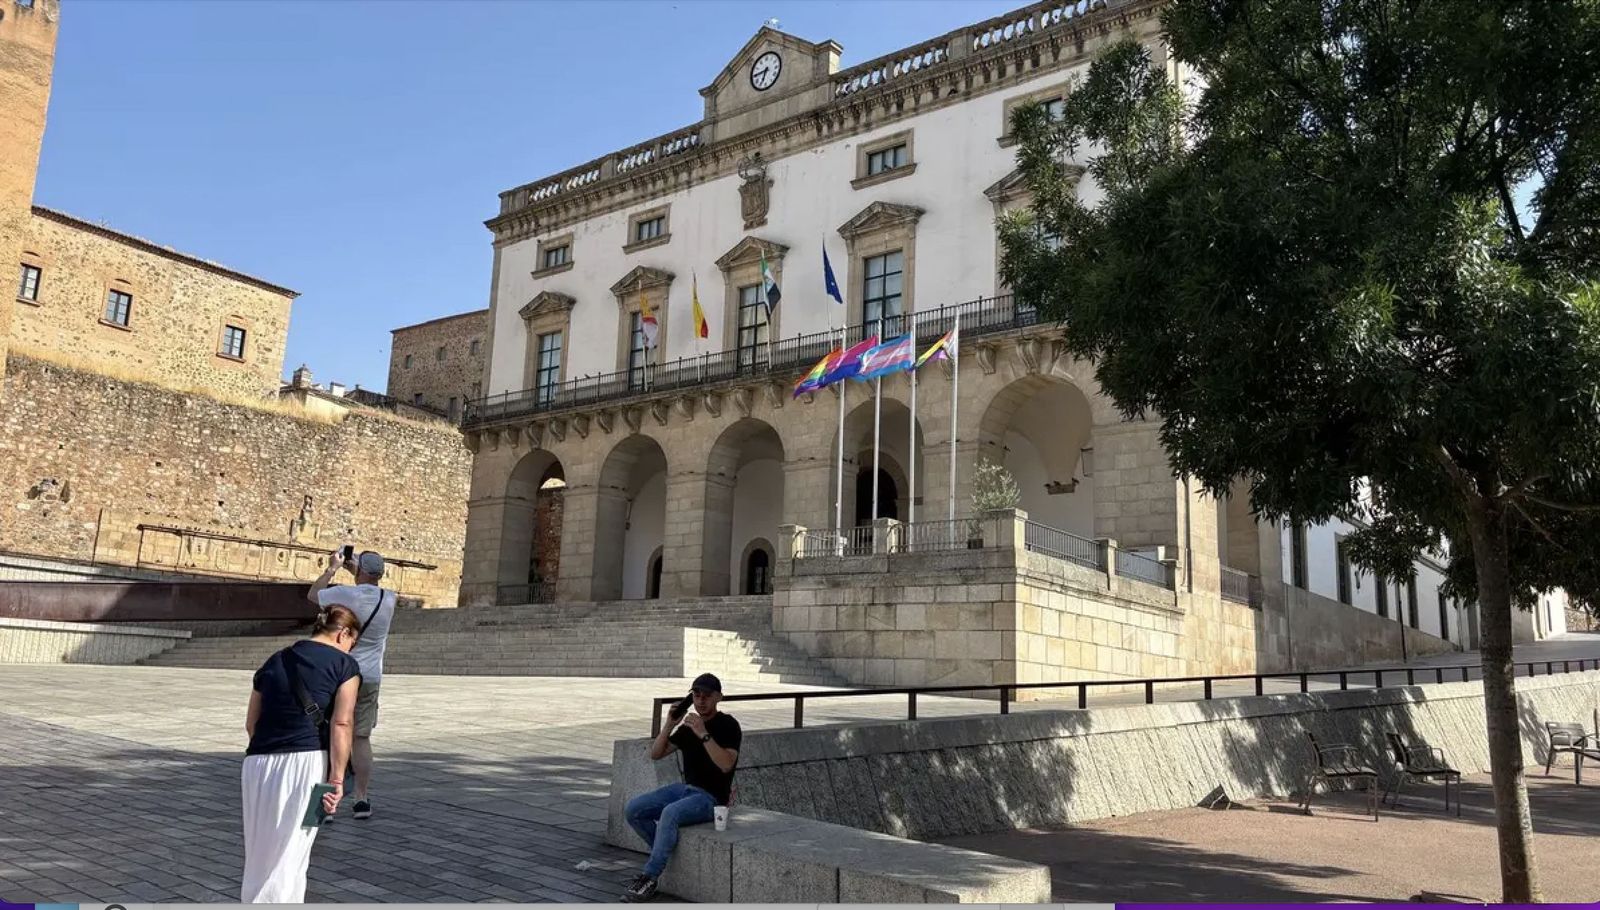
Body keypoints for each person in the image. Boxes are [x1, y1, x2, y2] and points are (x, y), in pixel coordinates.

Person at [241, 605, 362, 903]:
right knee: (291, 853)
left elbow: (251, 723)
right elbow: (342, 723)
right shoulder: (345, 666)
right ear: (343, 633)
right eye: (352, 642)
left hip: (257, 763)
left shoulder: (275, 660)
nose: (350, 649)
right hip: (306, 764)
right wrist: (336, 778)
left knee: (261, 854)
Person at [621, 673, 742, 903]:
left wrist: (703, 733)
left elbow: (726, 764)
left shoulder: (728, 725)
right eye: (696, 696)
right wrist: (670, 722)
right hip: (685, 790)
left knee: (670, 813)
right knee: (633, 809)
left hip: (711, 799)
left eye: (707, 696)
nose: (701, 701)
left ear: (719, 698)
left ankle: (650, 876)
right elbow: (656, 754)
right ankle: (663, 852)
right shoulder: (687, 728)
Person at [307, 548, 395, 820]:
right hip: (370, 677)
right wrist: (358, 571)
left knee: (329, 734)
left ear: (360, 571)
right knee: (361, 737)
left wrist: (333, 568)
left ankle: (325, 805)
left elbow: (313, 595)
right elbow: (367, 586)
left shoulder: (346, 594)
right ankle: (361, 799)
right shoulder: (390, 599)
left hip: (341, 672)